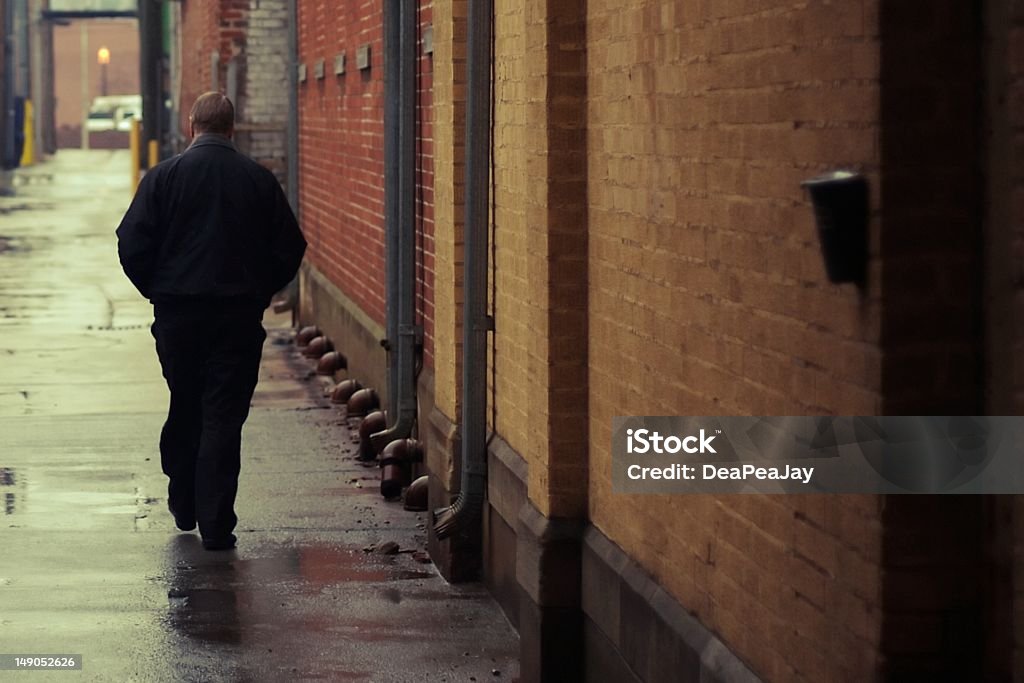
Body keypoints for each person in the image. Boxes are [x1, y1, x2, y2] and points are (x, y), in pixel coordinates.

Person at [116, 92, 306, 550]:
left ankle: (184, 498)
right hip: (237, 316)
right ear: (232, 129)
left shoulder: (164, 178)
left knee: (186, 401)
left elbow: (131, 243)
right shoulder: (258, 180)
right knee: (222, 413)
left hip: (178, 315)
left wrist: (158, 291)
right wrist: (260, 291)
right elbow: (289, 247)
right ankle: (216, 522)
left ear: (191, 126)